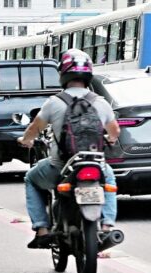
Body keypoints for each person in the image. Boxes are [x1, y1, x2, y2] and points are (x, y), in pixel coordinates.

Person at [18, 49, 121, 249]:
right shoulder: (100, 102)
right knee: (108, 179)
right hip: (95, 164)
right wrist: (110, 138)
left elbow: (34, 129)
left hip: (60, 167)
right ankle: (107, 227)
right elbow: (114, 132)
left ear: (63, 75)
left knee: (31, 178)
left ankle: (42, 230)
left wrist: (26, 140)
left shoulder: (54, 102)